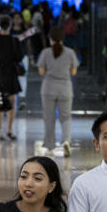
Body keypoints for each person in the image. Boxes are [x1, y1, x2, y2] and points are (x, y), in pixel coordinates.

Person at [37, 28, 79, 157]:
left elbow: (41, 72)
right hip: (65, 88)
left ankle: (50, 146)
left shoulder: (45, 53)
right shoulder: (70, 52)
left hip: (48, 88)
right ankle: (66, 141)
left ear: (51, 39)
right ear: (62, 39)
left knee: (49, 118)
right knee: (65, 117)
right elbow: (73, 72)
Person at [0, 15, 24, 142]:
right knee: (12, 102)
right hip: (11, 74)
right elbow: (19, 57)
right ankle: (9, 130)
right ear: (10, 25)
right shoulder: (14, 41)